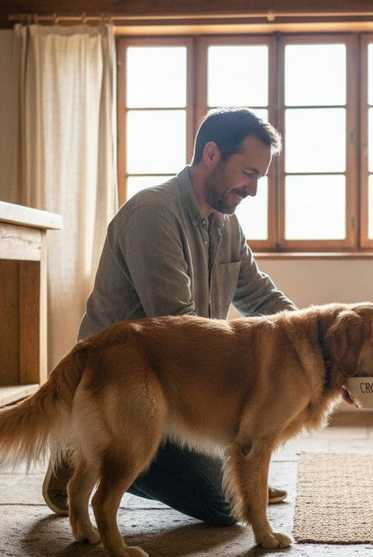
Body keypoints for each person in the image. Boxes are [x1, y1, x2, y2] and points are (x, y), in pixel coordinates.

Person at [42, 107, 296, 526]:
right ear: (211, 154)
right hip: (126, 387)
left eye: (259, 179)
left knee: (240, 475)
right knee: (223, 504)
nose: (252, 190)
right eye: (247, 173)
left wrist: (317, 339)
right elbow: (178, 323)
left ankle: (93, 448)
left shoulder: (227, 223)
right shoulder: (152, 214)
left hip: (182, 381)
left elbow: (260, 295)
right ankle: (86, 449)